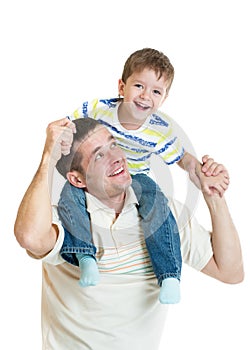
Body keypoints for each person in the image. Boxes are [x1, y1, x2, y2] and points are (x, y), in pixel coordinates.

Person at [14, 117, 243, 350]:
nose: (116, 158)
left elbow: (230, 271)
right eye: (99, 155)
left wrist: (214, 198)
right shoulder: (66, 219)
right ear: (77, 179)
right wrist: (47, 158)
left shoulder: (163, 213)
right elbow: (30, 236)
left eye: (113, 144)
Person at [57, 48, 229, 304]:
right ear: (121, 86)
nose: (145, 96)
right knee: (69, 195)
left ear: (164, 98)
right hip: (97, 177)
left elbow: (184, 160)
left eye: (156, 92)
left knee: (158, 206)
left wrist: (204, 175)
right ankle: (85, 256)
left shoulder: (161, 130)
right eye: (139, 86)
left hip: (135, 177)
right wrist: (61, 140)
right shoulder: (98, 108)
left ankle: (169, 274)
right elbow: (66, 127)